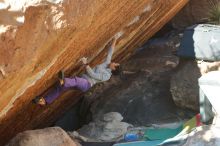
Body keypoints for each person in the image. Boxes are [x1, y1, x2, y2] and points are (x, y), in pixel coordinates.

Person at [33, 37, 120, 106]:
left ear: (114, 68)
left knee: (75, 81)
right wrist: (115, 39)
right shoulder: (107, 64)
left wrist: (86, 64)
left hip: (86, 84)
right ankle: (44, 100)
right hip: (82, 79)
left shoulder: (107, 76)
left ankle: (64, 81)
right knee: (61, 88)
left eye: (116, 64)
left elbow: (93, 75)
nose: (114, 62)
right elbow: (110, 53)